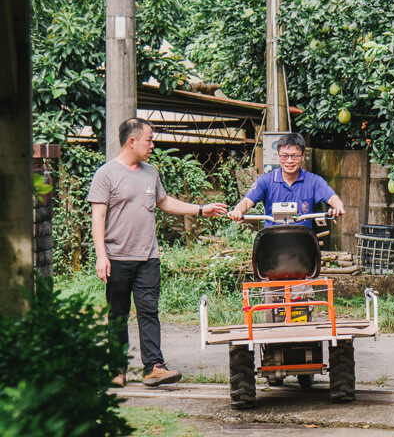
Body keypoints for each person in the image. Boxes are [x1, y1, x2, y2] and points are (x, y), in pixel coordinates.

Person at [89, 118, 228, 387]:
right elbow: (98, 217)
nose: (152, 145)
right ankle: (117, 369)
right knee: (118, 313)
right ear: (132, 141)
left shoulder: (150, 172)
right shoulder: (105, 174)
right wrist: (101, 255)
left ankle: (154, 366)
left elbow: (163, 202)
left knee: (149, 311)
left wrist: (201, 209)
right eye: (148, 140)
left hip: (148, 258)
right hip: (117, 258)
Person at [227, 133, 345, 225]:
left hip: (303, 240)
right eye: (285, 156)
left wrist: (338, 208)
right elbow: (247, 201)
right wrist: (238, 211)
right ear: (278, 156)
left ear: (303, 156)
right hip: (272, 240)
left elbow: (332, 197)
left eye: (294, 156)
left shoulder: (314, 181)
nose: (289, 161)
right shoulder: (265, 181)